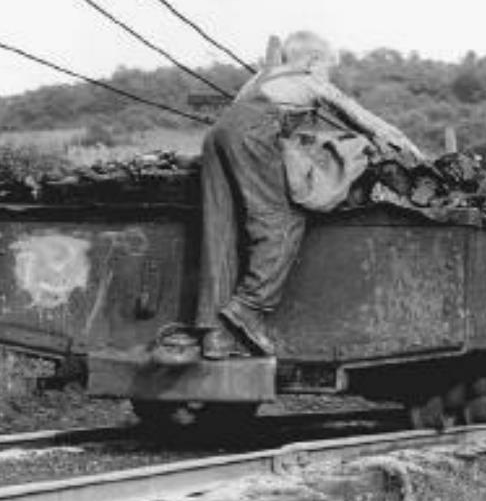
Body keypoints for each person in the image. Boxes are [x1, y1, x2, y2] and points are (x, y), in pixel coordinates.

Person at [153, 31, 423, 364]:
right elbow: (370, 123)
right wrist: (413, 153)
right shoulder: (310, 79)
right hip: (253, 135)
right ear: (313, 60)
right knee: (282, 221)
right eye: (328, 67)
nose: (328, 75)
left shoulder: (260, 79)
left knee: (222, 231)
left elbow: (247, 119)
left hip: (218, 136)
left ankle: (215, 335)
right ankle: (249, 307)